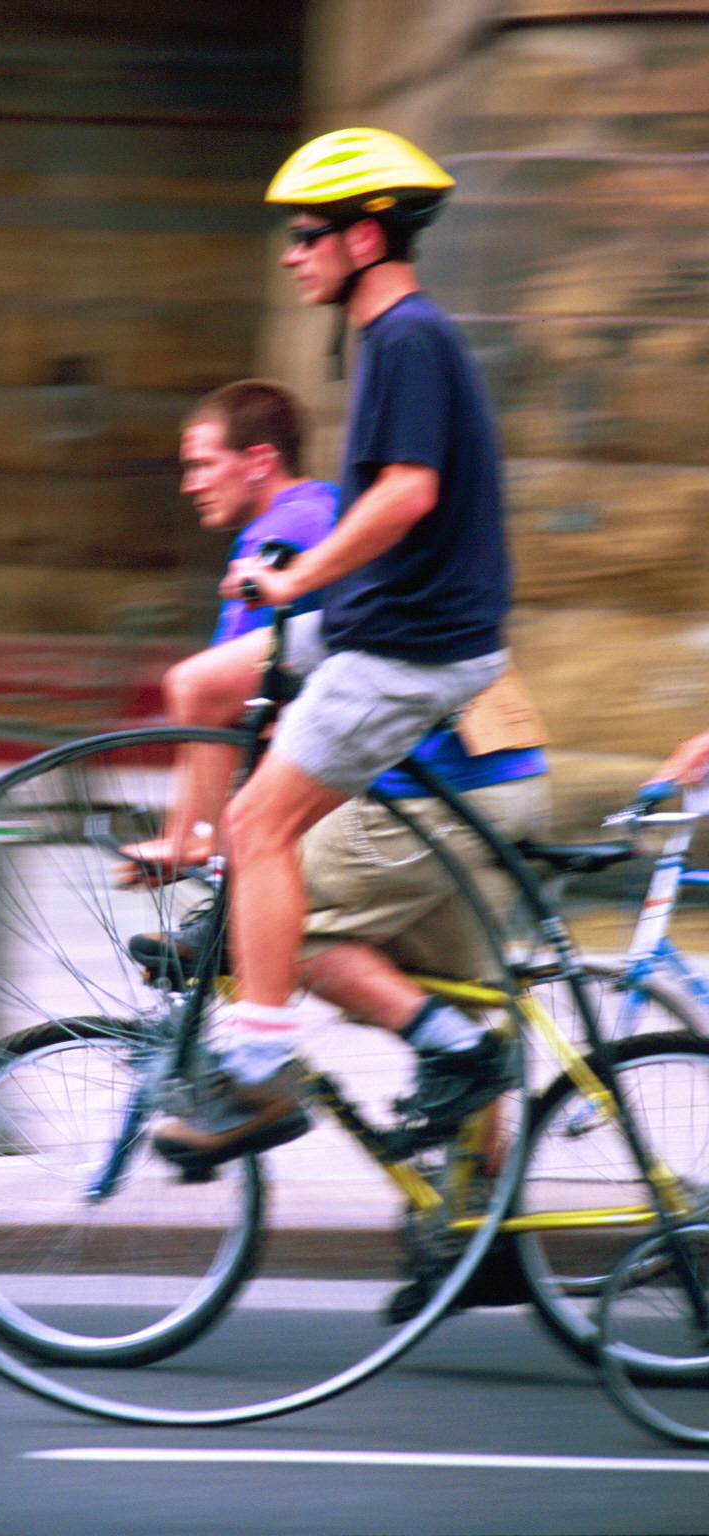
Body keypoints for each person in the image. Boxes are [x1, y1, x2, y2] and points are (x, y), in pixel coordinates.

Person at [149, 126, 515, 1173]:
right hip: (381, 619)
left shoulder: (407, 339)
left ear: (364, 239)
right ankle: (208, 885)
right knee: (205, 683)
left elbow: (408, 494)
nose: (290, 254)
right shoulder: (389, 339)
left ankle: (260, 1070)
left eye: (306, 235)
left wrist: (298, 577)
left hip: (412, 644)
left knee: (261, 823)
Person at [121, 380, 337, 877]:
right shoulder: (326, 504)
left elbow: (212, 703)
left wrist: (191, 837)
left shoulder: (274, 537)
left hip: (352, 790)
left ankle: (224, 853)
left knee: (252, 887)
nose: (190, 485)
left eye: (203, 465)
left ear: (259, 461)